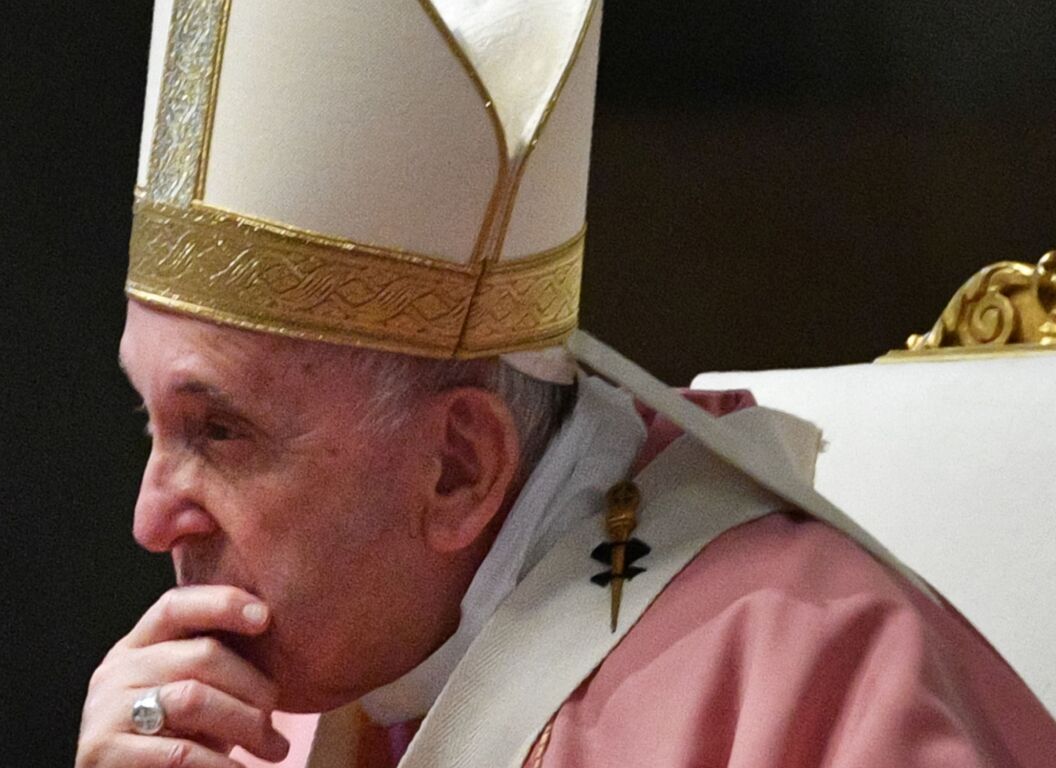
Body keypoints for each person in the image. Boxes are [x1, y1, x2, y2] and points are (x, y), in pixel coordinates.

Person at [75, 1, 1056, 766]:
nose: (152, 519)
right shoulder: (245, 712)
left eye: (221, 434)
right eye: (148, 421)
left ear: (458, 466)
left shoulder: (805, 676)